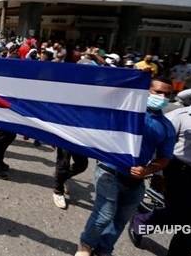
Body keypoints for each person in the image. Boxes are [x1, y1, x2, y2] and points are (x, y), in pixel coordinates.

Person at [75, 77, 176, 256]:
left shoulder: (167, 127)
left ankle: (104, 249)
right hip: (109, 170)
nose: (162, 97)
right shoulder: (127, 112)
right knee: (104, 215)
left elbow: (164, 158)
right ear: (146, 91)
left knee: (120, 220)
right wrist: (130, 81)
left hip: (136, 179)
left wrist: (148, 170)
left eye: (167, 94)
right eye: (158, 92)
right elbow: (101, 100)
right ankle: (86, 245)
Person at [128, 85, 191, 256]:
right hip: (182, 172)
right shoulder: (179, 116)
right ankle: (141, 222)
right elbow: (161, 147)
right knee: (178, 215)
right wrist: (156, 173)